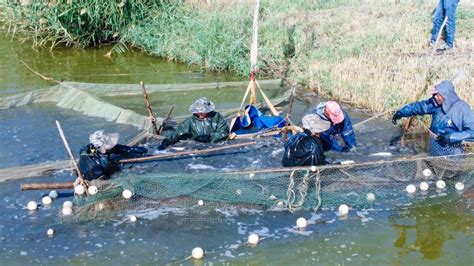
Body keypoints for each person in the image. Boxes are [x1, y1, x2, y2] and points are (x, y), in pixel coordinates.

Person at [392, 80, 474, 156]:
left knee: (449, 170)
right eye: (434, 95)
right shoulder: (436, 104)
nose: (435, 97)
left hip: (452, 153)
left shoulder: (461, 108)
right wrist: (401, 112)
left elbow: (472, 133)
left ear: (446, 95)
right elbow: (419, 107)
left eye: (437, 95)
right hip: (435, 150)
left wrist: (451, 137)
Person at [158, 97, 229, 150]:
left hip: (215, 146)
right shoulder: (191, 120)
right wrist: (167, 141)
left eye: (204, 111)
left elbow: (224, 132)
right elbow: (177, 132)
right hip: (198, 147)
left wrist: (210, 137)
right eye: (199, 111)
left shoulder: (216, 117)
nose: (201, 113)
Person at [78, 130, 148, 180]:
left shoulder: (89, 148)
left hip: (84, 173)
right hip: (95, 174)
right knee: (124, 154)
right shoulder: (106, 158)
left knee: (125, 150)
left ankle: (143, 150)